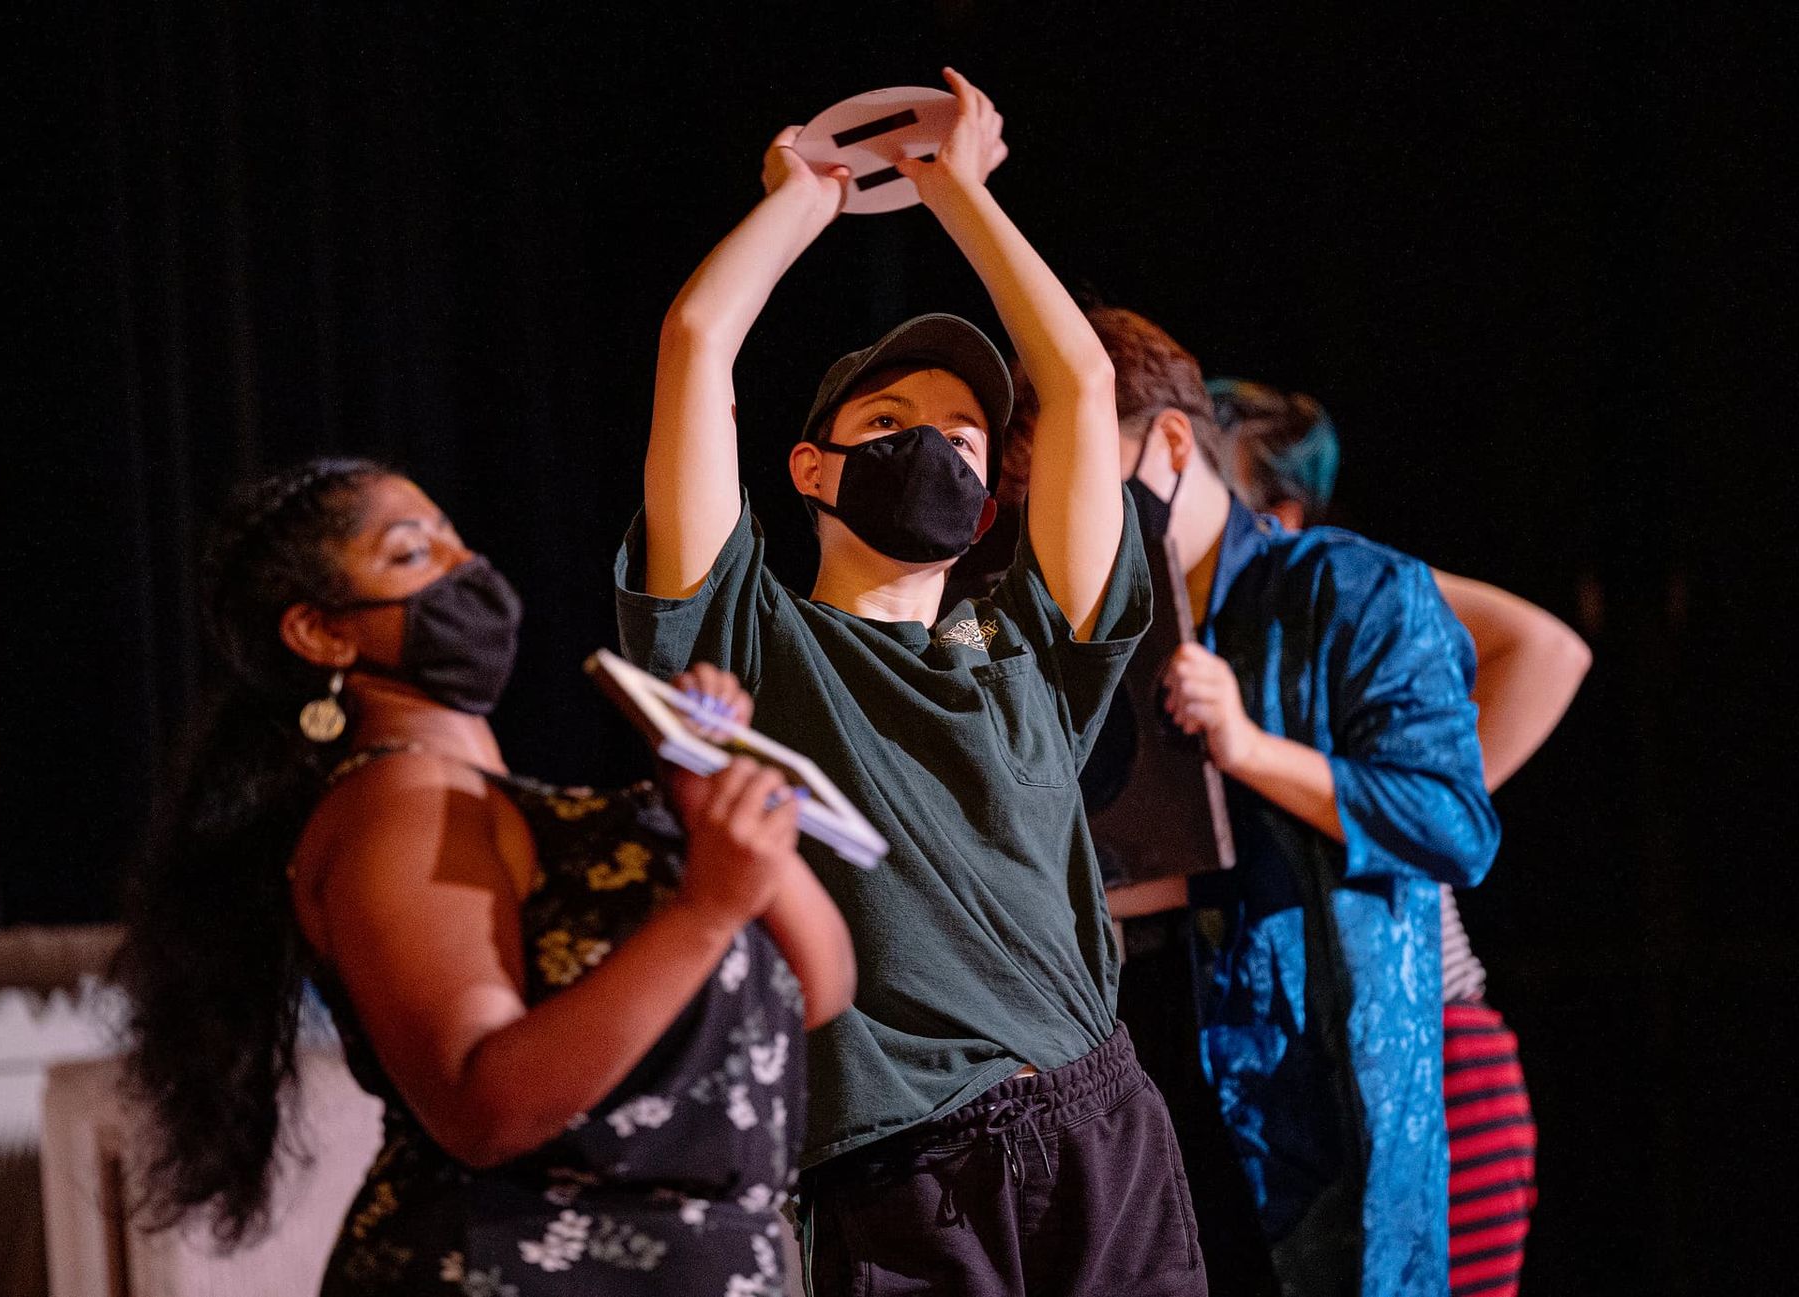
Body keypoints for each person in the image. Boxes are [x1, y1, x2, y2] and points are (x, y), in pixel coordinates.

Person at [617, 73, 1206, 1295]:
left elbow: (1084, 387)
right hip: (904, 1174)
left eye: (964, 434)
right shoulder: (754, 640)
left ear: (990, 499)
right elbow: (698, 342)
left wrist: (962, 191)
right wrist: (806, 197)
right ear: (812, 470)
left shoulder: (1040, 647)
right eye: (891, 422)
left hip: (1103, 1124)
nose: (932, 446)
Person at [115, 458, 855, 1297]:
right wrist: (707, 908)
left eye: (453, 538)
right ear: (322, 632)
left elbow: (818, 985)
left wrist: (712, 795)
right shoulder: (398, 803)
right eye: (409, 553)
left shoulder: (529, 809)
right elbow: (481, 1103)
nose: (461, 565)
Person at [1005, 307, 1501, 1297]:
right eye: (1030, 492)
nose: (1060, 513)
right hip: (1151, 1111)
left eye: (1077, 475)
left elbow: (1454, 825)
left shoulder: (1352, 588)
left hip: (1327, 1116)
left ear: (1175, 443)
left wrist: (1251, 747)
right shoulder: (1057, 630)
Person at [1207, 377, 1592, 1297]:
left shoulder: (1337, 589)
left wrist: (1392, 803)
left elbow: (1547, 649)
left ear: (1282, 518)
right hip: (1302, 1093)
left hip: (1432, 1064)